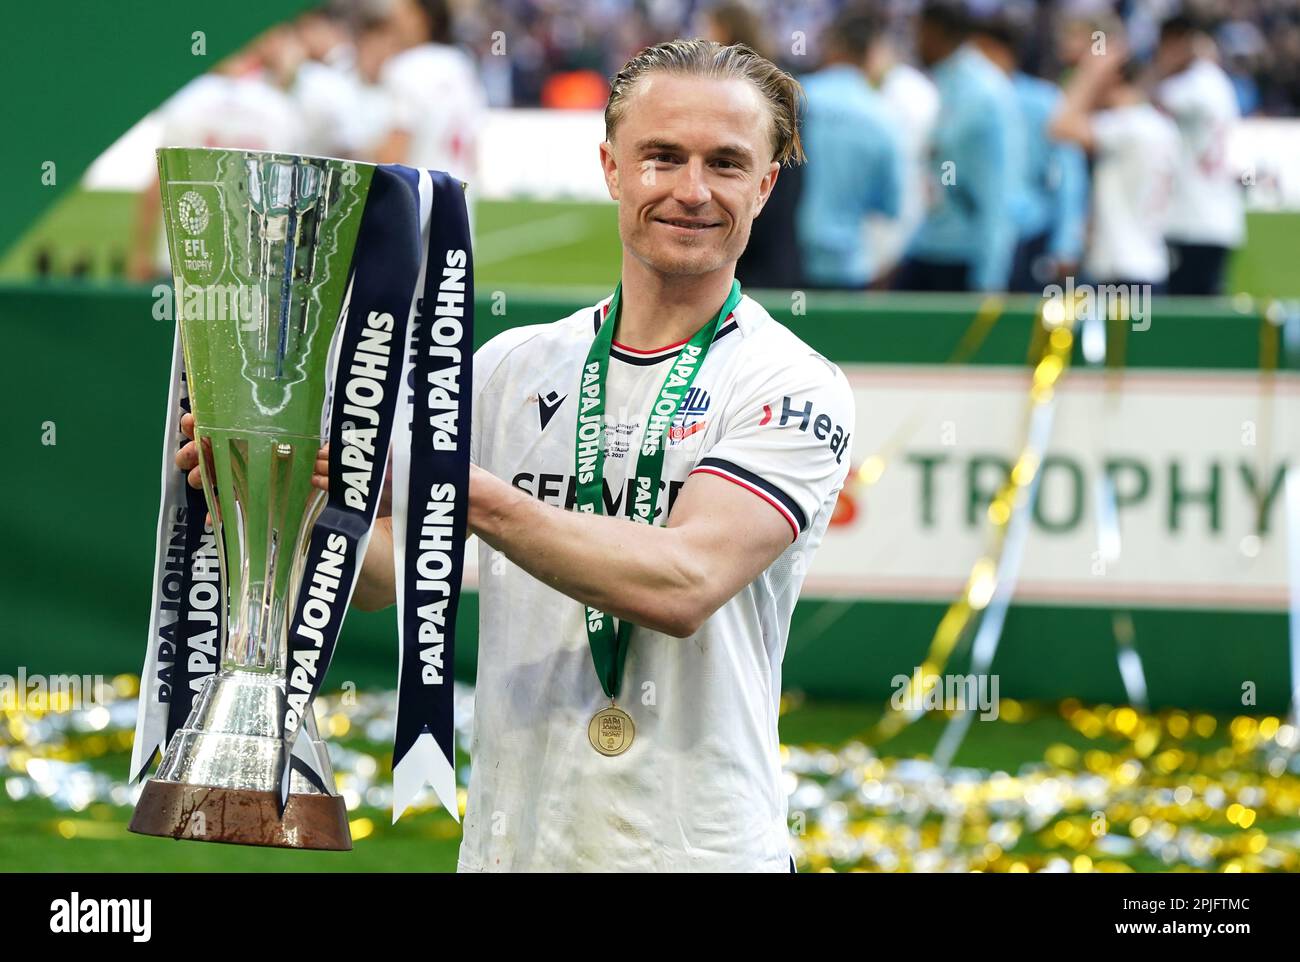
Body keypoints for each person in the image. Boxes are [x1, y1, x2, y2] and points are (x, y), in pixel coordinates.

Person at [176, 38, 855, 873]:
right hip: (515, 848)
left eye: (724, 163)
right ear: (611, 167)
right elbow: (389, 575)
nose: (691, 190)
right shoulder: (509, 367)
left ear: (765, 184)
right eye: (662, 157)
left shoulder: (793, 384)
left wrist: (467, 494)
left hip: (700, 849)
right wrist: (272, 499)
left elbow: (683, 583)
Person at [893, 0, 1024, 293]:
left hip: (963, 258)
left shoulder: (984, 95)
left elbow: (1000, 190)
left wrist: (989, 281)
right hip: (930, 245)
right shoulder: (944, 82)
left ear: (937, 32)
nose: (914, 43)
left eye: (919, 32)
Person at [1050, 41, 1179, 291]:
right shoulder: (1160, 126)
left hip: (1121, 267)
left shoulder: (1127, 126)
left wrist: (1090, 73)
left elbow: (1059, 126)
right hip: (1148, 262)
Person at [972, 12, 1087, 291]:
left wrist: (1066, 245)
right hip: (975, 235)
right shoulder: (970, 99)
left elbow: (1069, 177)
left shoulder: (1043, 101)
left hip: (1029, 234)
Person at [795, 7, 904, 289]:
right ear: (870, 54)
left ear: (832, 48)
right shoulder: (883, 116)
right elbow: (891, 204)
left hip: (788, 260)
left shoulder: (795, 98)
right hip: (848, 265)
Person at [702, 1, 803, 289]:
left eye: (710, 28)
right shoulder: (762, 84)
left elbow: (789, 172)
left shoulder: (764, 91)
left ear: (728, 30)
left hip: (759, 238)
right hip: (760, 231)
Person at [1153, 13, 1246, 296]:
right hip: (1218, 215)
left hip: (1192, 218)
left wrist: (1159, 69)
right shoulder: (1219, 82)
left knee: (1183, 317)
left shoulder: (1191, 85)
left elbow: (1149, 100)